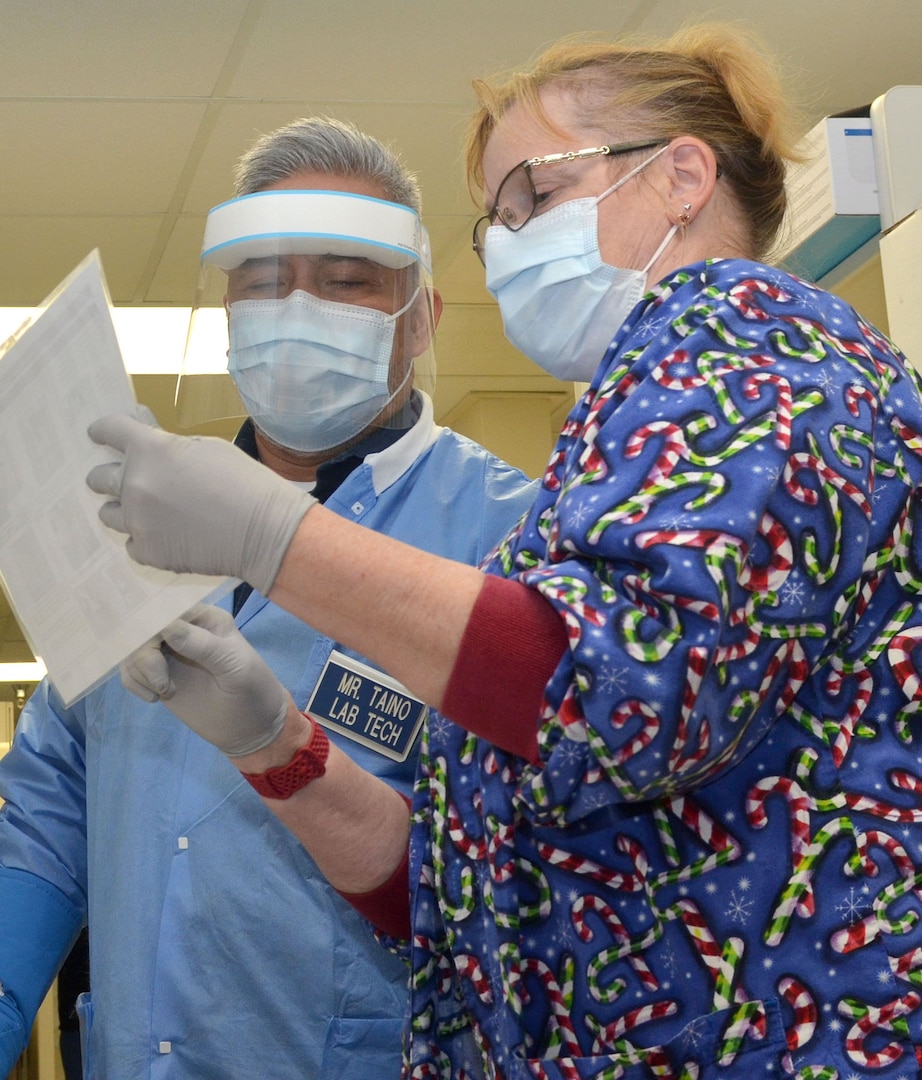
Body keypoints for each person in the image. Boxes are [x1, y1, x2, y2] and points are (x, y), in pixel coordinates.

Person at [85, 23, 922, 1078]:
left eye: (533, 194)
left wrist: (270, 532)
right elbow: (455, 896)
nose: (513, 239)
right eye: (499, 220)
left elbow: (617, 692)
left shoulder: (753, 347)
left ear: (681, 176)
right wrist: (279, 749)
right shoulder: (623, 429)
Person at [0, 116, 537, 1079]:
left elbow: (523, 883)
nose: (296, 308)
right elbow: (45, 808)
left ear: (420, 315)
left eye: (345, 281)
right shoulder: (139, 513)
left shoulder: (514, 540)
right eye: (261, 280)